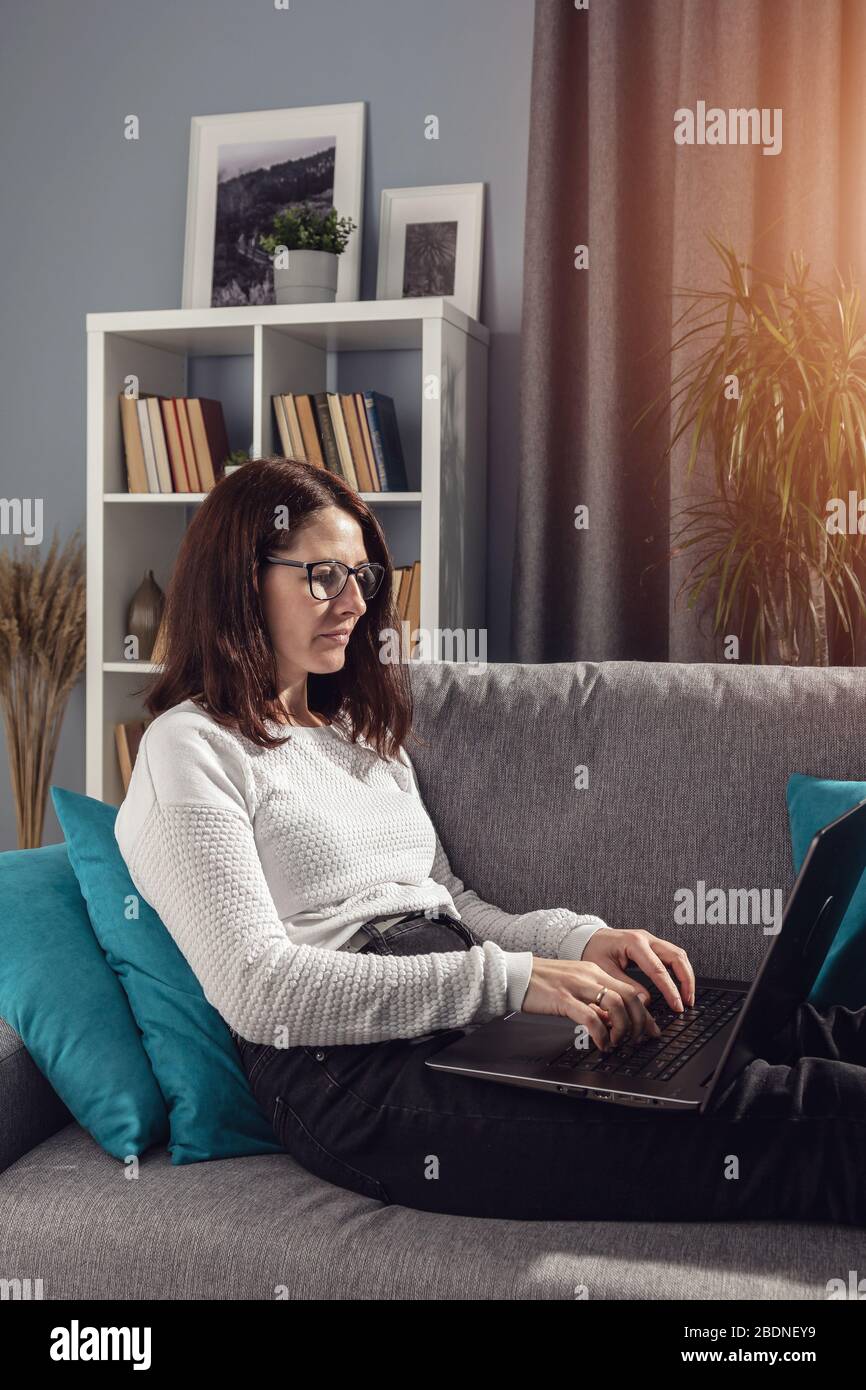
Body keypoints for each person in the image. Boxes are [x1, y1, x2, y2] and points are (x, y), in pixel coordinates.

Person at [115, 457, 866, 1225]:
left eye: (362, 577)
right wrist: (514, 982)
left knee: (779, 1023)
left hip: (460, 1000)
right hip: (349, 1072)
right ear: (241, 580)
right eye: (321, 577)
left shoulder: (356, 730)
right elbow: (261, 992)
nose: (350, 602)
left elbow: (452, 904)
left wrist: (578, 941)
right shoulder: (190, 746)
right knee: (795, 1113)